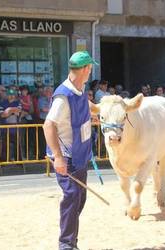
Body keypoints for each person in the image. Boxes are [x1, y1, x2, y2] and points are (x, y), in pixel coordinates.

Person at [44, 50, 96, 250]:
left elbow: (85, 103)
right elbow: (48, 126)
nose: (90, 71)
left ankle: (71, 240)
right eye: (90, 68)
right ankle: (66, 245)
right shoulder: (63, 96)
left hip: (80, 154)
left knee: (79, 199)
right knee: (72, 197)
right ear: (84, 69)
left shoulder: (79, 88)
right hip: (67, 156)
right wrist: (57, 158)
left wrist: (97, 111)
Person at [0, 88, 22, 161]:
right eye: (10, 95)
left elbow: (19, 110)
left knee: (17, 146)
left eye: (13, 95)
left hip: (15, 128)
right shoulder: (3, 103)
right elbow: (2, 115)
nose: (11, 96)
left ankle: (18, 161)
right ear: (7, 95)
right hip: (5, 128)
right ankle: (3, 161)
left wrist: (8, 110)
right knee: (4, 146)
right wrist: (12, 111)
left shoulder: (17, 102)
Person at [38, 86, 53, 158]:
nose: (49, 93)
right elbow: (43, 109)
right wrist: (52, 109)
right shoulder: (41, 100)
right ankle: (42, 154)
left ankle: (51, 154)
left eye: (50, 92)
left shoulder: (54, 100)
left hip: (52, 121)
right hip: (43, 120)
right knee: (43, 138)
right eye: (47, 91)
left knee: (52, 138)